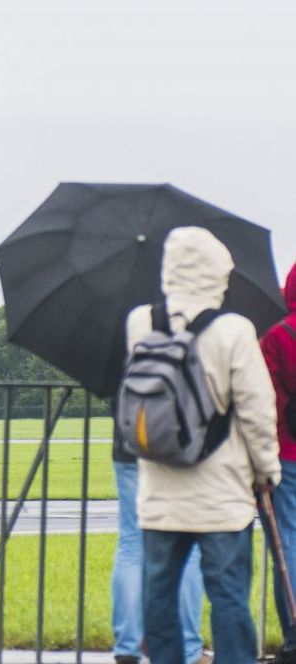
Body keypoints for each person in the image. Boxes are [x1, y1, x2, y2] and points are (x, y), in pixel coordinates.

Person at [125, 227, 280, 664]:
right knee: (228, 595)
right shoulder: (233, 329)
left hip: (159, 489)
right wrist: (266, 470)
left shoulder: (141, 322)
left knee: (160, 596)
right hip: (221, 492)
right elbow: (255, 409)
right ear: (217, 273)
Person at [111, 400, 207, 664]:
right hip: (182, 441)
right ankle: (188, 648)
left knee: (131, 544)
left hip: (130, 439)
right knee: (189, 544)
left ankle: (127, 645)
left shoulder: (122, 356)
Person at [260, 262, 296, 663]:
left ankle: (294, 631)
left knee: (287, 541)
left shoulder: (276, 336)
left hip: (286, 452)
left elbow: (264, 400)